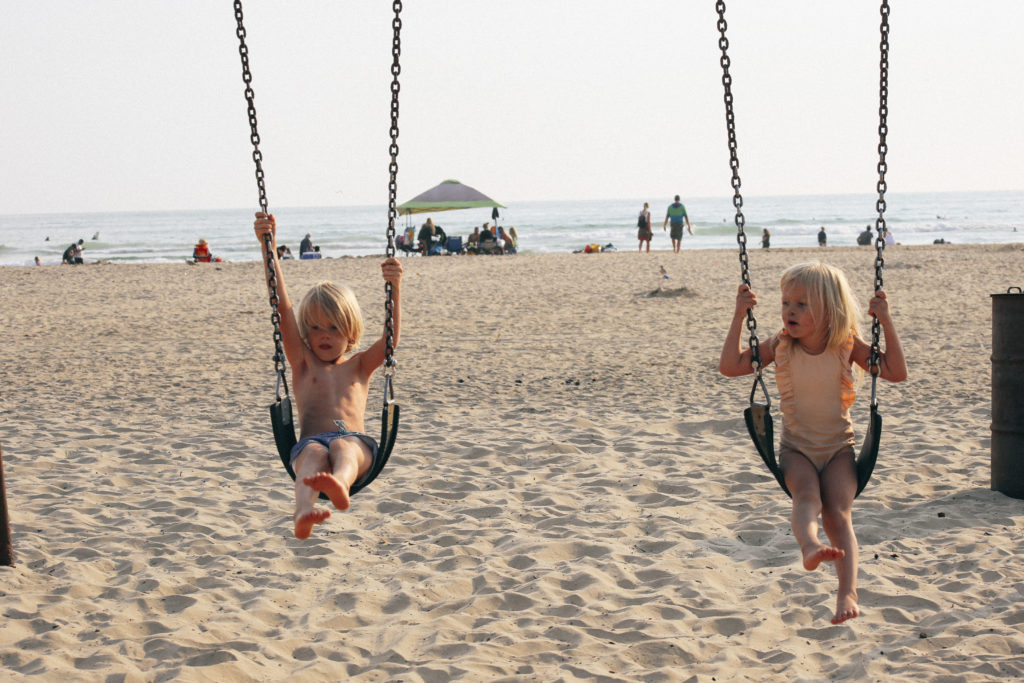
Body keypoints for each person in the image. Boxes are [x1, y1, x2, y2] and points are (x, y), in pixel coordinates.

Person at [719, 261, 907, 625]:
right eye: (786, 302)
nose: (790, 310)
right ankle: (810, 546)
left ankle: (847, 591)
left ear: (830, 310)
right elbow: (730, 366)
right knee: (807, 497)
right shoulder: (780, 345)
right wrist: (739, 316)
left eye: (802, 304)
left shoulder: (847, 346)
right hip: (797, 450)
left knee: (838, 514)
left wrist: (886, 320)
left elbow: (896, 372)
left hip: (839, 449)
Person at [254, 212, 404, 539]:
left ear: (350, 331)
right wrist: (269, 246)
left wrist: (394, 287)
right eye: (316, 327)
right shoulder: (303, 364)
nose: (324, 335)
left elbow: (390, 339)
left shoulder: (361, 365)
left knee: (344, 448)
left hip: (357, 444)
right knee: (313, 455)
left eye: (334, 327)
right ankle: (304, 509)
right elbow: (282, 309)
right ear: (306, 332)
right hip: (310, 442)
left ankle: (340, 483)